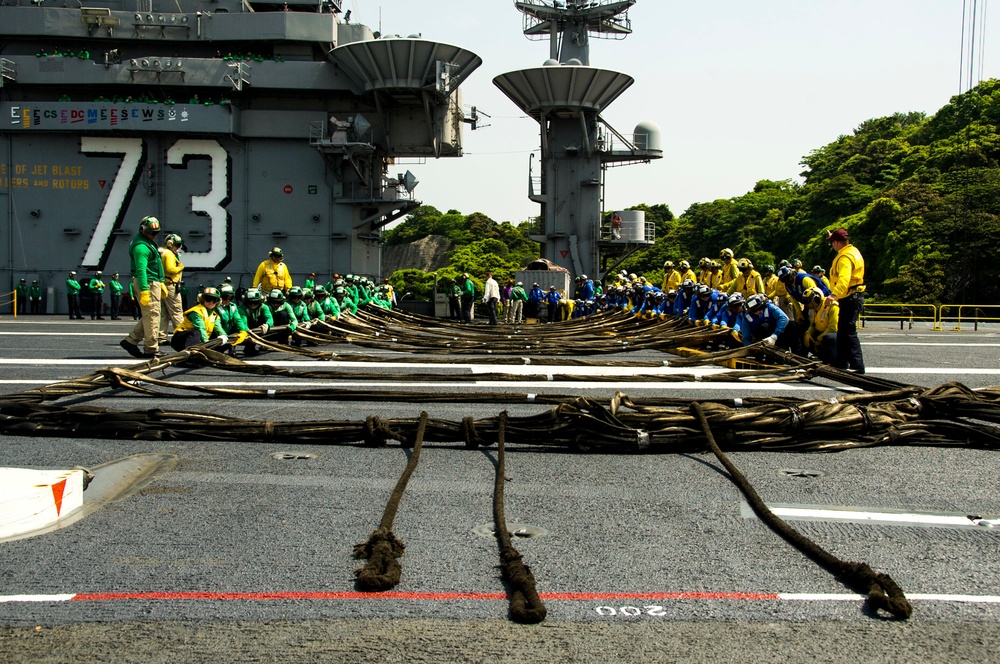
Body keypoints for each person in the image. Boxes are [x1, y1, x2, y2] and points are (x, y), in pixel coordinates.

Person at [120, 216, 165, 359]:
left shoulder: (146, 242)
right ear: (143, 230)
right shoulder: (141, 247)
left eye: (156, 232)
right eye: (152, 232)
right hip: (148, 283)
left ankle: (131, 341)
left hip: (153, 282)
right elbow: (141, 270)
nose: (155, 235)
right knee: (152, 316)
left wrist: (161, 282)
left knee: (150, 315)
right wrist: (145, 290)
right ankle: (151, 349)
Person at [826, 228, 866, 373]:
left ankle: (857, 365)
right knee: (842, 331)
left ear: (837, 242)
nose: (832, 245)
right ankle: (841, 362)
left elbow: (844, 278)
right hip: (850, 296)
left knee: (848, 331)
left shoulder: (845, 258)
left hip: (850, 297)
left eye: (832, 242)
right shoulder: (852, 251)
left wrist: (833, 295)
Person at [169, 287, 231, 351]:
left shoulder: (215, 315)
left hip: (196, 340)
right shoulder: (196, 312)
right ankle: (190, 352)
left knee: (223, 340)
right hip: (181, 340)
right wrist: (206, 342)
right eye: (208, 299)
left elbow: (218, 328)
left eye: (214, 300)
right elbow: (200, 327)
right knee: (197, 333)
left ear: (218, 302)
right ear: (203, 299)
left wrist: (223, 336)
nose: (211, 302)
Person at [157, 233, 185, 340]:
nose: (177, 247)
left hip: (163, 285)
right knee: (176, 311)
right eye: (176, 245)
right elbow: (170, 269)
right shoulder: (168, 254)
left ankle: (161, 336)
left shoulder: (162, 252)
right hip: (170, 286)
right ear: (170, 244)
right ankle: (181, 336)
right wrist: (180, 267)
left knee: (163, 313)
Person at [802, 286, 838, 365]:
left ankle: (836, 360)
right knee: (805, 337)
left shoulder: (832, 306)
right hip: (822, 333)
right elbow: (813, 324)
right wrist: (808, 333)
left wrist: (819, 339)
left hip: (835, 335)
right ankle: (825, 358)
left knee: (828, 338)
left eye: (808, 301)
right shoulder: (812, 310)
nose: (807, 304)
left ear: (816, 299)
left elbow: (833, 328)